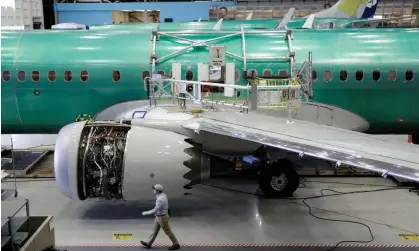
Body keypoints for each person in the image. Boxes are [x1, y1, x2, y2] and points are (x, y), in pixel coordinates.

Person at [140, 184, 180, 250]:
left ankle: (176, 244)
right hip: (159, 216)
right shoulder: (162, 195)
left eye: (154, 189)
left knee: (167, 231)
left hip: (162, 217)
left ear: (158, 191)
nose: (153, 190)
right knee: (154, 230)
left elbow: (156, 209)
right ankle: (149, 243)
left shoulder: (160, 199)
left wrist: (146, 213)